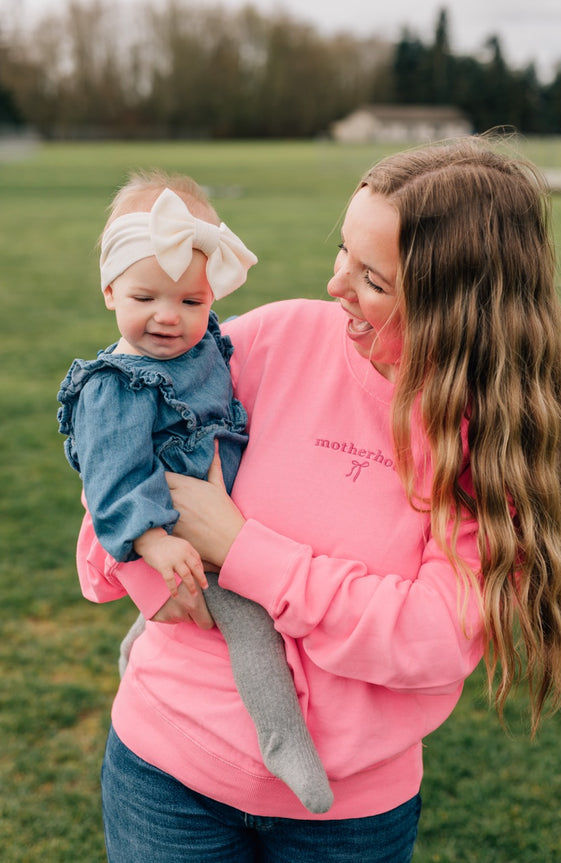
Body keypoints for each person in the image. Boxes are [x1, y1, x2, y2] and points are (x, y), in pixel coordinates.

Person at [75, 137, 561, 863]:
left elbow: (432, 637)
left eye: (371, 276)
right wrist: (152, 565)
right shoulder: (272, 338)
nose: (335, 282)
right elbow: (115, 482)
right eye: (341, 250)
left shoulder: (486, 444)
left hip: (349, 817)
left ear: (451, 305)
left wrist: (242, 549)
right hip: (165, 774)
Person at [58, 170, 334, 814]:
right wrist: (152, 541)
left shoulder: (204, 346)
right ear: (109, 290)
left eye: (192, 302)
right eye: (146, 296)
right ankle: (282, 737)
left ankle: (139, 643)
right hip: (179, 535)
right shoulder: (114, 385)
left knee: (179, 615)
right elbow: (110, 478)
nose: (168, 317)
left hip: (213, 515)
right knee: (254, 625)